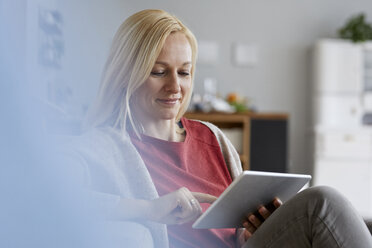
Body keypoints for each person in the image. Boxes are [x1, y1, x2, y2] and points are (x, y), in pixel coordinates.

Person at [68, 9, 372, 248]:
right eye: (159, 72)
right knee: (320, 205)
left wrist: (248, 234)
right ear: (126, 73)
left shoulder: (212, 137)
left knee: (322, 208)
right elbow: (36, 193)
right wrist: (147, 208)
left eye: (184, 72)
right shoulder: (103, 147)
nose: (176, 86)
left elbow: (235, 230)